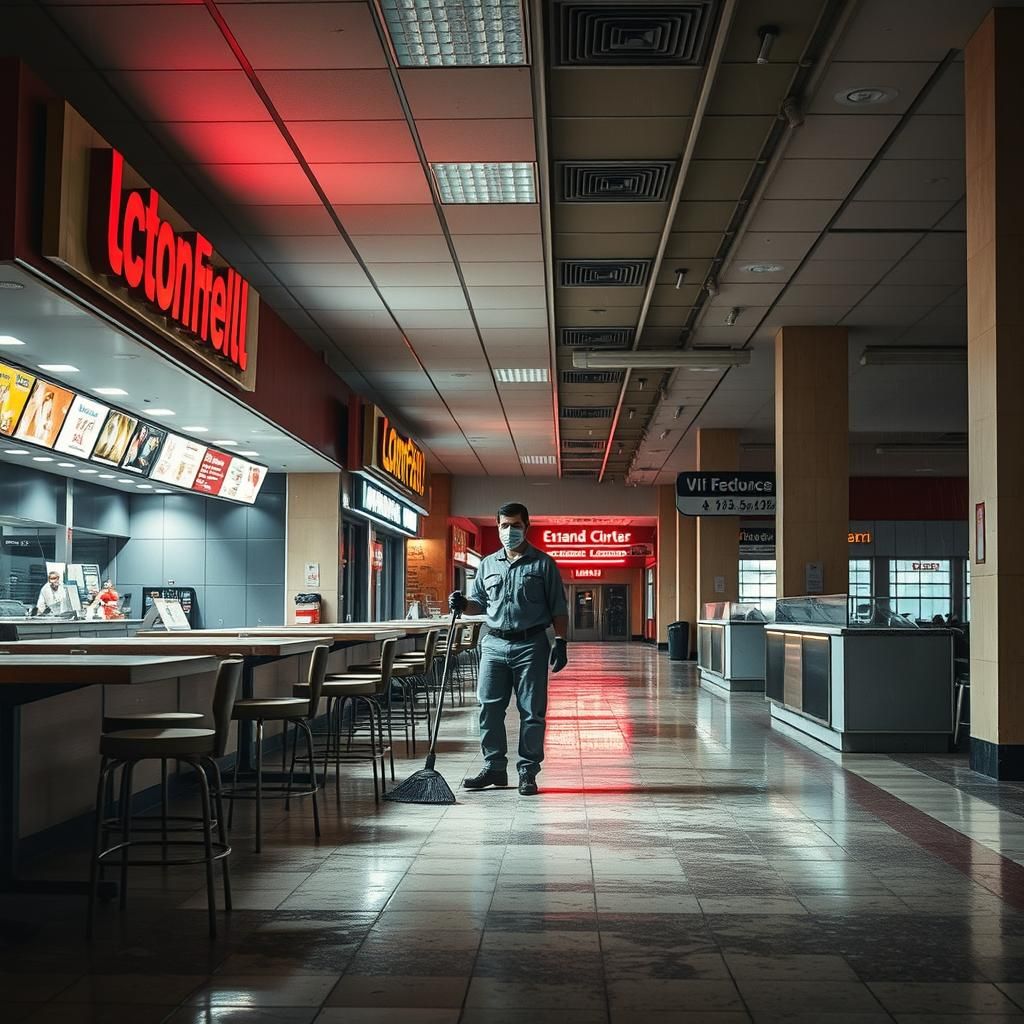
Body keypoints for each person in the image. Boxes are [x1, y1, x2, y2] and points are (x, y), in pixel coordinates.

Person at [448, 501, 568, 797]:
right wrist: (463, 604)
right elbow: (479, 603)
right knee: (488, 708)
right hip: (494, 644)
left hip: (531, 645)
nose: (510, 531)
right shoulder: (487, 564)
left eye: (516, 525)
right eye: (505, 525)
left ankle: (527, 770)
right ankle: (495, 768)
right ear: (498, 526)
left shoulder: (543, 564)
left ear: (527, 526)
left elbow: (558, 608)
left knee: (531, 711)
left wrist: (561, 642)